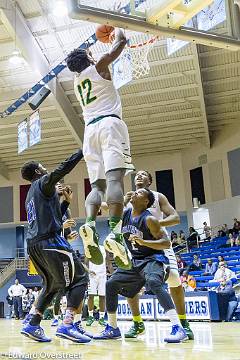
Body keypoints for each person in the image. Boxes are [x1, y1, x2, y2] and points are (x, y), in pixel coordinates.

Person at [66, 28, 134, 270]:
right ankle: (115, 233)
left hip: (89, 133)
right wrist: (117, 28)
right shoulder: (99, 66)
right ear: (88, 57)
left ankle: (90, 225)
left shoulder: (76, 81)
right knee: (115, 180)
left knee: (97, 186)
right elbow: (121, 42)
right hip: (109, 125)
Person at [94, 188, 188, 343]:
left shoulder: (149, 219)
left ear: (146, 202)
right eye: (135, 192)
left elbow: (166, 242)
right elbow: (107, 207)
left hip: (153, 259)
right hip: (135, 261)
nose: (135, 193)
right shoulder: (125, 214)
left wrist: (144, 242)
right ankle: (112, 328)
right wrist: (96, 199)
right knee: (111, 283)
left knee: (153, 282)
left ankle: (178, 328)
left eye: (139, 193)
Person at [20, 150, 91, 343]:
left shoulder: (30, 196)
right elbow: (62, 169)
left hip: (35, 245)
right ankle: (67, 324)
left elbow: (54, 219)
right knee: (81, 279)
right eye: (43, 167)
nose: (46, 169)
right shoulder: (42, 182)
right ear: (37, 171)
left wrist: (65, 203)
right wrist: (82, 151)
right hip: (50, 242)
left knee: (52, 285)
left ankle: (33, 323)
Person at [122, 170, 193, 340]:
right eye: (137, 174)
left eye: (143, 174)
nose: (138, 176)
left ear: (150, 181)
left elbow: (175, 217)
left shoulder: (157, 196)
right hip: (135, 247)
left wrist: (153, 224)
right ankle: (138, 323)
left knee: (174, 280)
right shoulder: (129, 199)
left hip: (157, 243)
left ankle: (183, 323)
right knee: (131, 285)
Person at [85, 245, 112, 327]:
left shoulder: (104, 248)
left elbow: (109, 262)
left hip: (102, 275)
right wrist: (89, 271)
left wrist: (113, 273)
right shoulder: (88, 248)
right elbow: (85, 263)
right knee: (90, 296)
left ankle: (101, 318)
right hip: (92, 276)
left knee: (102, 296)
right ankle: (90, 317)